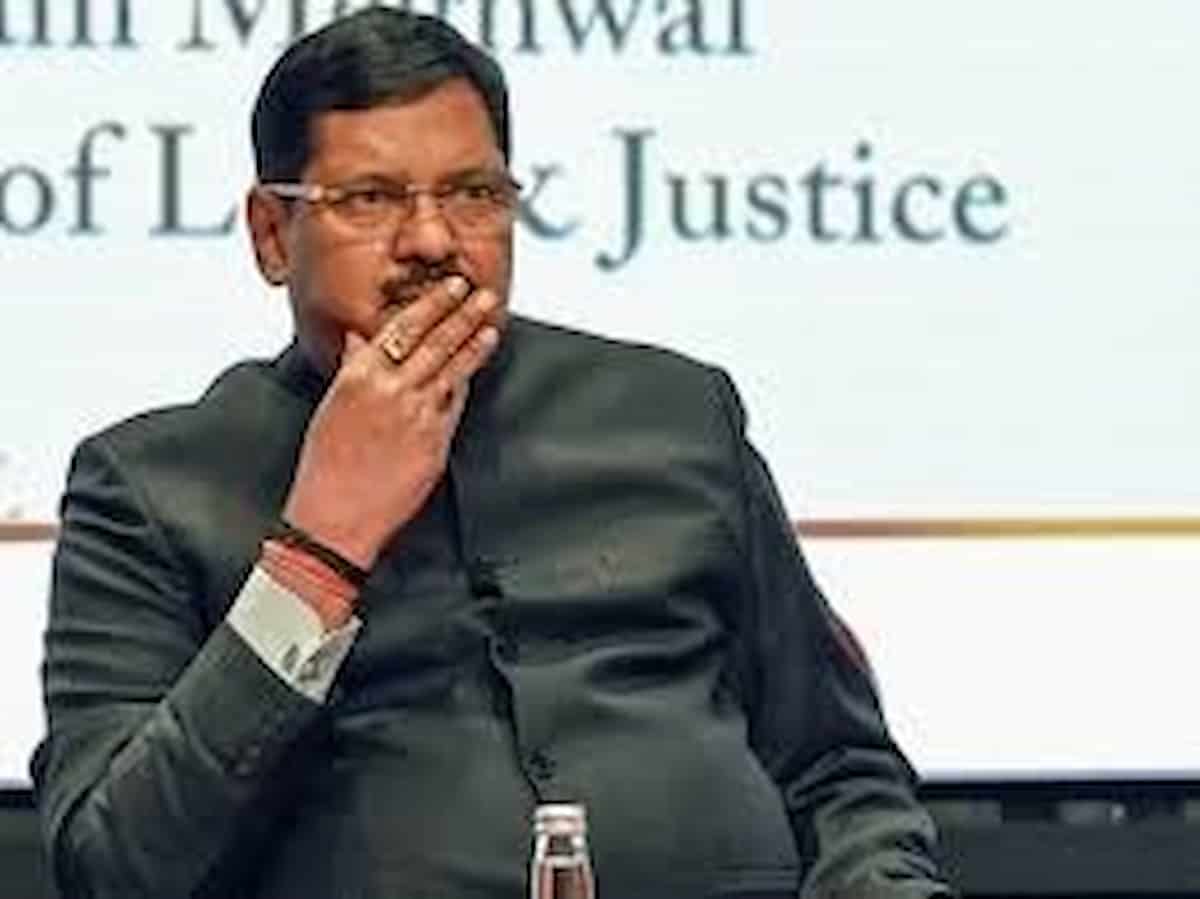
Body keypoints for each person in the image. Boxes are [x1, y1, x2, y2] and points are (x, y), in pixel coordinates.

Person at [32, 9, 954, 899]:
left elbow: (837, 769)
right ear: (273, 235)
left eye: (473, 194)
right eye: (371, 199)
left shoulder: (676, 415)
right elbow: (116, 866)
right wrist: (317, 555)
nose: (433, 240)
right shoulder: (150, 488)